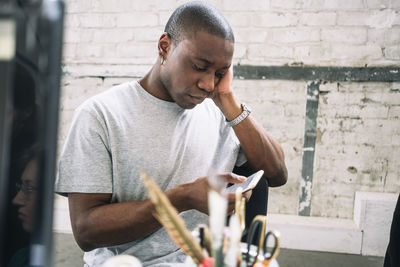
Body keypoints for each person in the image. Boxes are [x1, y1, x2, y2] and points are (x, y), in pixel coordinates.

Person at [55, 2, 287, 266]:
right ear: (165, 46)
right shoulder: (101, 114)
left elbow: (277, 174)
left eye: (220, 73)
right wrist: (181, 199)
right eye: (200, 67)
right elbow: (86, 231)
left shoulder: (220, 114)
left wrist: (228, 100)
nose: (208, 84)